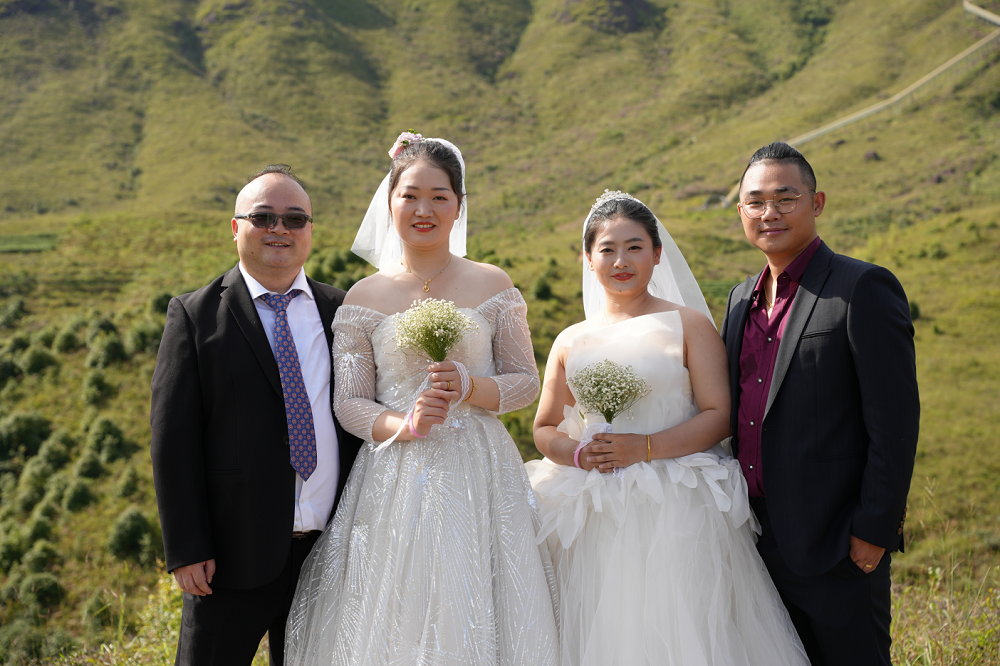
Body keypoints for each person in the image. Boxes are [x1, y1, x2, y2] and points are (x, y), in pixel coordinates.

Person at [284, 134, 559, 666]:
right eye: (409, 196)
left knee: (479, 599)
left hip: (482, 471)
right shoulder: (363, 297)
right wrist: (403, 424)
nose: (423, 209)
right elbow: (350, 404)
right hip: (395, 474)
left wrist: (470, 387)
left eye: (439, 197)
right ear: (389, 204)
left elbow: (526, 380)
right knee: (397, 610)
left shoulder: (493, 284)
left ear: (459, 206)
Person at [527, 190, 809, 665]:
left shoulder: (688, 324)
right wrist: (577, 453)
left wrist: (646, 447)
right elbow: (545, 427)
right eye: (608, 249)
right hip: (589, 507)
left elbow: (718, 415)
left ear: (657, 254)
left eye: (635, 247)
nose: (621, 261)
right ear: (588, 259)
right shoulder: (570, 339)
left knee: (679, 629)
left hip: (675, 502)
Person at [150, 165, 363, 665]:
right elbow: (173, 440)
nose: (279, 229)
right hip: (229, 557)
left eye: (294, 219)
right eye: (263, 217)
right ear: (236, 227)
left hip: (327, 554)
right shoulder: (194, 316)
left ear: (310, 229)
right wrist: (186, 547)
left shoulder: (343, 311)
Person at [721, 141, 919, 665]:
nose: (769, 212)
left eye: (785, 198)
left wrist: (873, 531)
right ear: (740, 211)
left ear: (817, 202)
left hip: (837, 544)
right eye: (756, 201)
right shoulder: (739, 300)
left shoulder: (862, 287)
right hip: (755, 544)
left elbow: (895, 422)